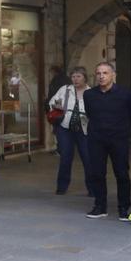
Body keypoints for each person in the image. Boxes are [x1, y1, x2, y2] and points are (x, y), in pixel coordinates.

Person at [84, 62, 131, 220]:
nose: (101, 76)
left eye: (105, 73)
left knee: (122, 173)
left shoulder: (126, 94)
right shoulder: (89, 95)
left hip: (118, 139)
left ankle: (123, 208)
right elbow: (90, 113)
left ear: (113, 75)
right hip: (96, 139)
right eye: (98, 73)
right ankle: (100, 207)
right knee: (97, 174)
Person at [48, 66, 91, 196]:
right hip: (65, 127)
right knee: (65, 157)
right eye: (73, 76)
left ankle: (93, 188)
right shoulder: (65, 90)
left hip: (84, 129)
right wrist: (57, 106)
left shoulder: (91, 92)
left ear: (84, 78)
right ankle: (62, 187)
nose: (75, 79)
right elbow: (52, 102)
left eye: (78, 76)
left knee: (88, 159)